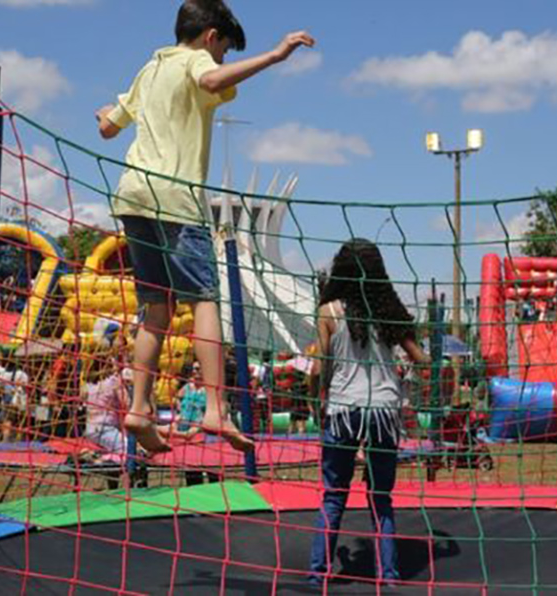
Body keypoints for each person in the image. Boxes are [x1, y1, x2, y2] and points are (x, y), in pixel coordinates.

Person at [96, 0, 315, 453]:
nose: (223, 61)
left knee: (155, 307)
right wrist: (275, 57)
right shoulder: (198, 61)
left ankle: (138, 407)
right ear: (211, 37)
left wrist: (105, 114)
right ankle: (216, 408)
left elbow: (108, 128)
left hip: (133, 198)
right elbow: (211, 78)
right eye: (225, 50)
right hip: (175, 199)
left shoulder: (150, 67)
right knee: (204, 300)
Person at [308, 238, 430, 587]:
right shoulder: (386, 308)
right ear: (377, 273)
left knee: (333, 495)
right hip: (383, 410)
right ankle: (387, 576)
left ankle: (319, 574)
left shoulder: (329, 310)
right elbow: (421, 358)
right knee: (381, 498)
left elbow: (323, 366)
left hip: (344, 408)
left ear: (340, 270)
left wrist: (318, 401)